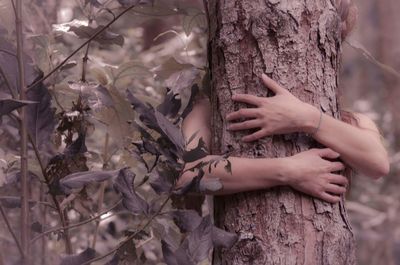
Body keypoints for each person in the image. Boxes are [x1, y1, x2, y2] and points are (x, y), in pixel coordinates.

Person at [178, 74, 390, 203]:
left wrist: (306, 118)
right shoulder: (209, 107)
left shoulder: (349, 121)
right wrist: (289, 170)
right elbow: (186, 176)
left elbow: (378, 165)